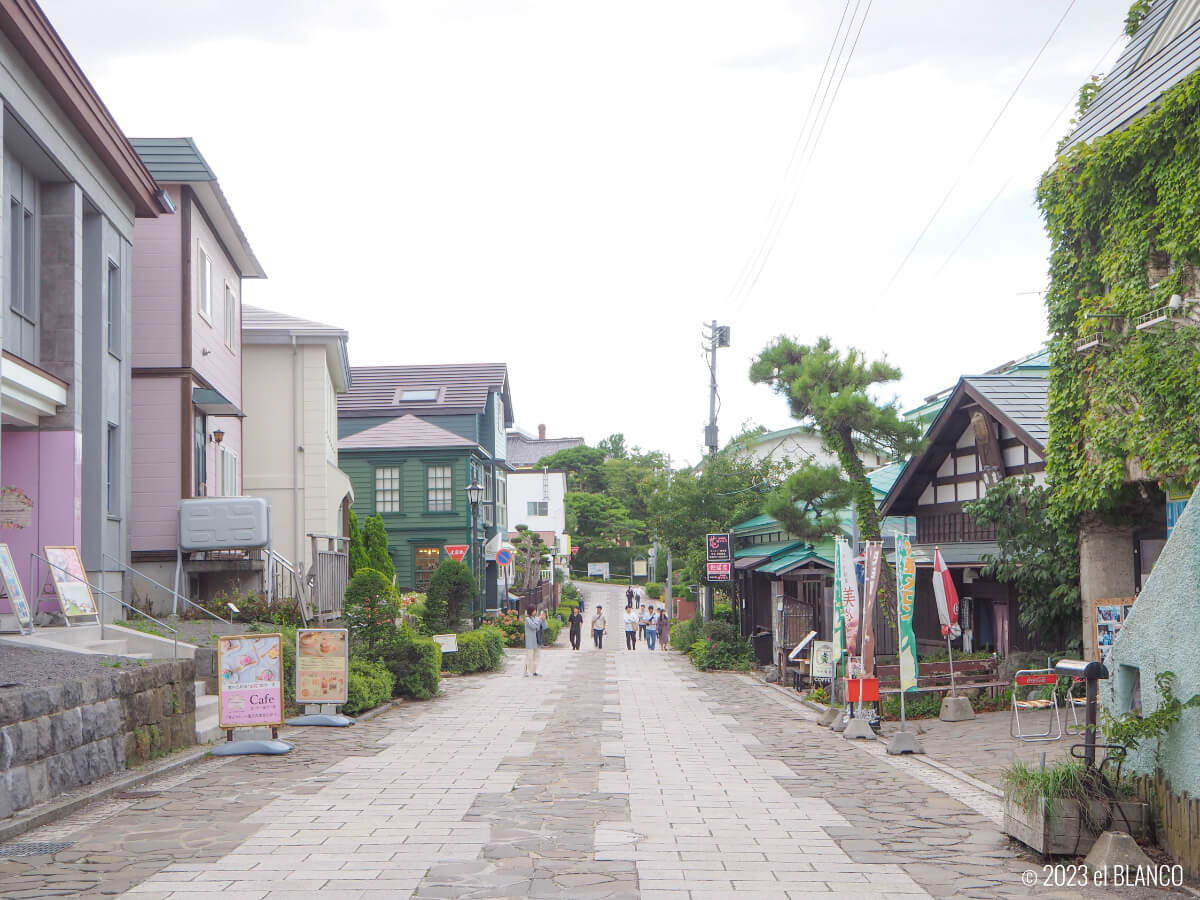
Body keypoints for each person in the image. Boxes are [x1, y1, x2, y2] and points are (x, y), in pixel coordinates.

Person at [524, 606, 544, 676]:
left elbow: (545, 626)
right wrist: (539, 619)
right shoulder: (527, 619)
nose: (535, 612)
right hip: (530, 641)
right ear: (530, 611)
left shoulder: (537, 618)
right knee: (529, 656)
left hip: (537, 641)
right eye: (534, 610)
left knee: (537, 656)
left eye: (535, 610)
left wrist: (543, 619)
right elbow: (533, 626)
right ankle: (526, 671)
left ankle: (535, 671)